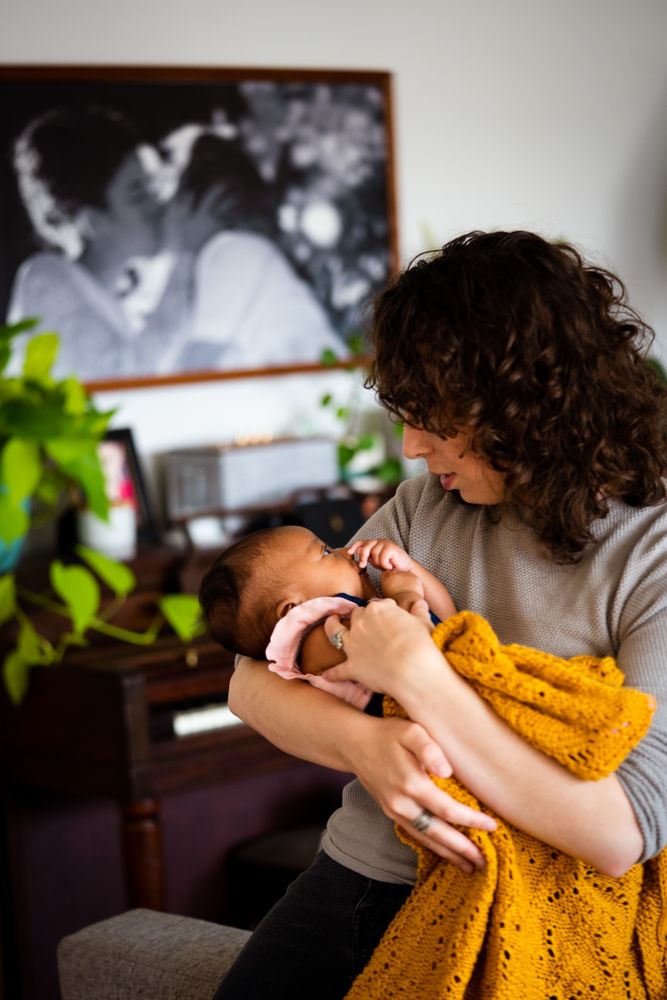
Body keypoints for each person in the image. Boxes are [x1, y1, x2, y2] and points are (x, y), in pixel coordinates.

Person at [213, 230, 667, 999]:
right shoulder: (429, 505)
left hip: (542, 904)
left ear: (529, 401)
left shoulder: (650, 549)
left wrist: (422, 681)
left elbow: (621, 831)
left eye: (435, 419)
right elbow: (250, 679)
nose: (412, 446)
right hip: (369, 872)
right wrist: (369, 746)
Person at [142, 133, 348, 374]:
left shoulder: (233, 251)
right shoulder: (229, 257)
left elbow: (196, 370)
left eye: (175, 195)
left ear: (205, 198)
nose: (164, 209)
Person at [198, 525, 457, 712]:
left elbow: (448, 620)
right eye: (326, 552)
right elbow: (406, 651)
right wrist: (405, 594)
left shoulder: (356, 611)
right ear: (292, 610)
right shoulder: (317, 644)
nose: (345, 551)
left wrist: (409, 568)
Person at [7, 106, 164, 380]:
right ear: (92, 220)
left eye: (152, 188)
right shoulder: (46, 281)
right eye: (138, 195)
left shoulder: (133, 298)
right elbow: (117, 381)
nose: (158, 205)